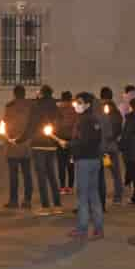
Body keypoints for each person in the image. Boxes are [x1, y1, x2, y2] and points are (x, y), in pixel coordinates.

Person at [57, 93, 103, 239]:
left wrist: (68, 144)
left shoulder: (83, 120)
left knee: (82, 196)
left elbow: (83, 141)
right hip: (95, 160)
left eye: (79, 102)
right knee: (94, 195)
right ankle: (98, 228)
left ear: (88, 105)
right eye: (76, 102)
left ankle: (82, 229)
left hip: (84, 161)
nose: (76, 104)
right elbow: (94, 140)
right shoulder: (94, 119)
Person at [16, 85, 62, 214]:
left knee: (41, 176)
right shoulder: (55, 106)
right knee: (52, 175)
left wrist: (20, 140)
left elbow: (31, 126)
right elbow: (60, 124)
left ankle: (46, 206)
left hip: (38, 144)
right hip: (51, 145)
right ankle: (58, 205)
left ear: (41, 94)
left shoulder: (36, 106)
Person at [2, 86, 34, 209]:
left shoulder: (9, 107)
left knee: (13, 175)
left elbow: (4, 124)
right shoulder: (30, 106)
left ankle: (13, 200)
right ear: (24, 94)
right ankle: (27, 200)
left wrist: (7, 138)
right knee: (27, 174)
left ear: (14, 94)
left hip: (13, 145)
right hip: (26, 145)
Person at [99, 88, 124, 205]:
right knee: (115, 173)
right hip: (112, 147)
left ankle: (100, 198)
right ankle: (118, 196)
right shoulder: (116, 111)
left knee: (99, 173)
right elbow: (119, 128)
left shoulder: (99, 110)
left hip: (102, 148)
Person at [55, 91, 76, 193]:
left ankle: (62, 187)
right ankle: (71, 187)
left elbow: (55, 125)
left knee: (61, 164)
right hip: (72, 140)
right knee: (71, 164)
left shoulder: (58, 110)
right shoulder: (74, 110)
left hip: (60, 140)